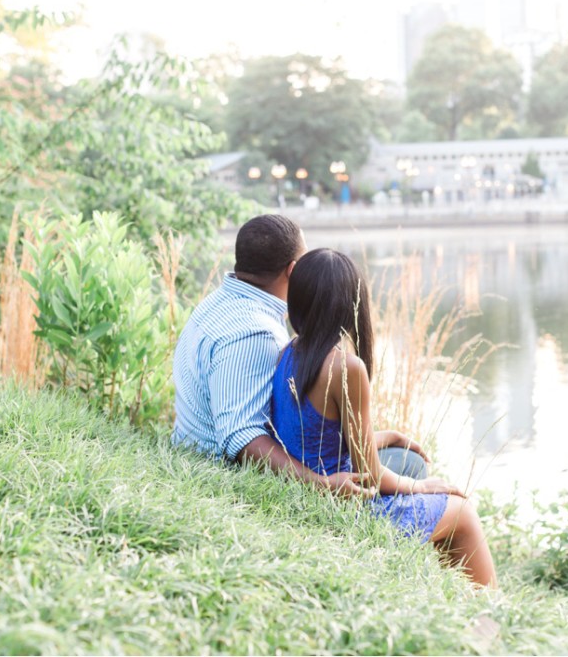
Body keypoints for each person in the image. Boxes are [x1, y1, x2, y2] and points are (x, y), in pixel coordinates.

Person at [270, 248, 498, 587]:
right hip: (345, 506)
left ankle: (452, 598)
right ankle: (492, 615)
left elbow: (315, 436)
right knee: (462, 513)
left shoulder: (289, 351)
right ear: (351, 306)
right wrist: (421, 487)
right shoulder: (346, 367)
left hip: (308, 491)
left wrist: (387, 435)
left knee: (410, 462)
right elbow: (370, 475)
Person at [173, 214, 418, 497]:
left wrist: (374, 437)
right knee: (410, 464)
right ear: (292, 271)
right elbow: (241, 438)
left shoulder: (219, 302)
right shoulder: (255, 334)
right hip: (214, 470)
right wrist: (323, 485)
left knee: (397, 454)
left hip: (193, 448)